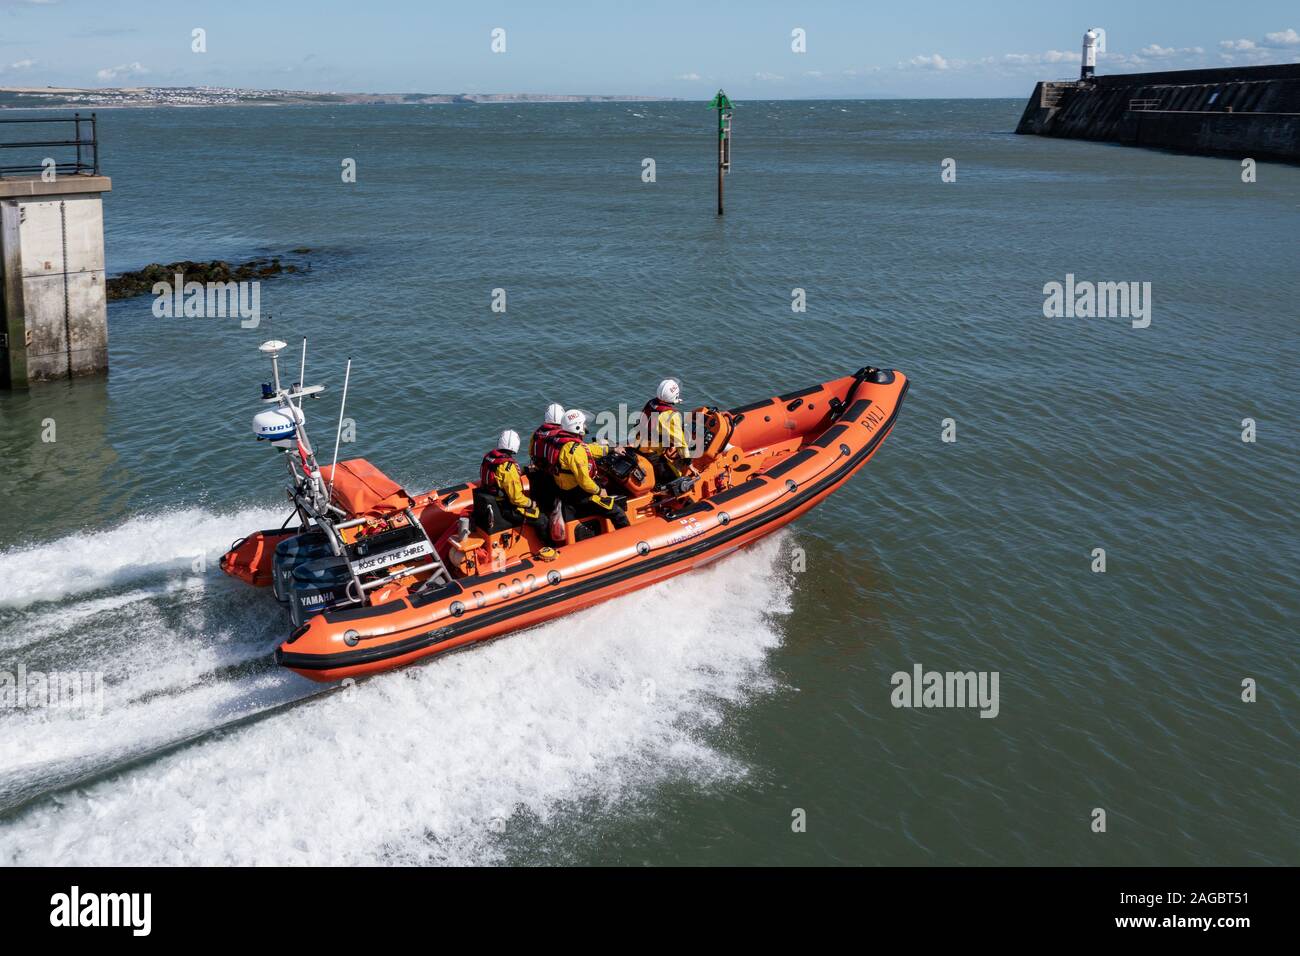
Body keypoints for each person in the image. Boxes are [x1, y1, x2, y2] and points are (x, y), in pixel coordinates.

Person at [550, 409, 629, 537]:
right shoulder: (576, 451)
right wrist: (599, 491)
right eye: (583, 424)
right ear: (577, 426)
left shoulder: (562, 442)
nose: (585, 426)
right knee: (616, 511)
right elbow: (585, 482)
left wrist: (610, 449)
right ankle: (629, 540)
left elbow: (588, 448)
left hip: (564, 490)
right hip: (579, 495)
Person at [478, 429, 550, 540]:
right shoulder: (508, 467)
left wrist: (522, 472)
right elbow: (516, 499)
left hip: (493, 502)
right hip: (507, 509)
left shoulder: (489, 457)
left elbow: (500, 478)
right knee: (543, 519)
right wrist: (532, 503)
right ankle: (549, 546)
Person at [638, 378, 691, 486]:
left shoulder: (651, 403)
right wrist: (689, 463)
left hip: (638, 444)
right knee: (677, 479)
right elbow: (680, 442)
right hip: (651, 452)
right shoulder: (672, 415)